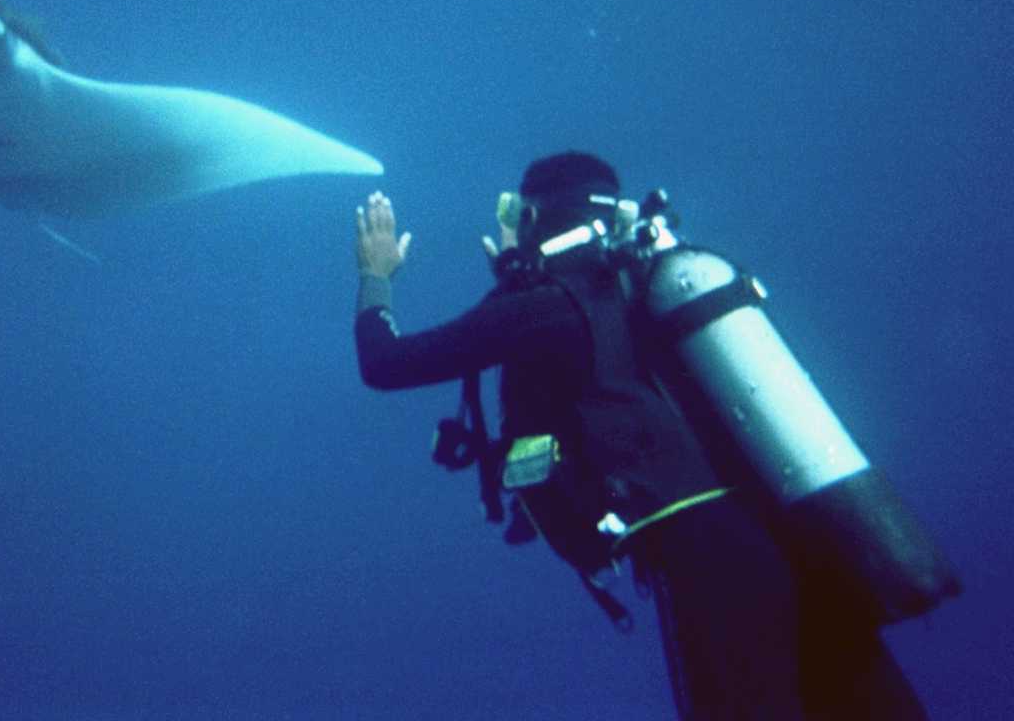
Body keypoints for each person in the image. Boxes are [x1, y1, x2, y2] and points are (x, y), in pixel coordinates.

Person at [352, 152, 927, 720]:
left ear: (533, 217)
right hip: (790, 537)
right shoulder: (648, 283)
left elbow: (386, 363)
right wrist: (511, 278)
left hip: (703, 555)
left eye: (513, 211)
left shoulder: (546, 306)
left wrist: (375, 276)